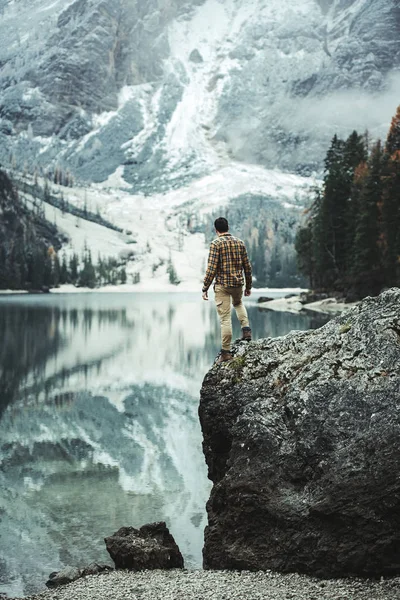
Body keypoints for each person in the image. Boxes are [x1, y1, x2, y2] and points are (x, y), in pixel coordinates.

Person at [202, 217, 252, 364]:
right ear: (228, 227)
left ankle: (226, 353)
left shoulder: (216, 244)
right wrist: (248, 286)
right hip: (238, 284)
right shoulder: (240, 243)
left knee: (225, 319)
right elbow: (247, 267)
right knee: (238, 304)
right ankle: (246, 331)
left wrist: (205, 287)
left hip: (222, 286)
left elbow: (211, 269)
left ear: (216, 230)